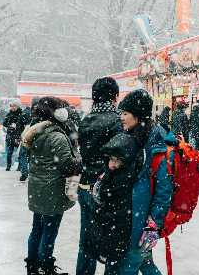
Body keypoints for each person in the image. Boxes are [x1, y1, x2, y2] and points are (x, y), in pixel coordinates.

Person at [115, 89, 173, 275]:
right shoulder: (135, 136)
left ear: (138, 115)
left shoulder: (154, 143)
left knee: (128, 267)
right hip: (132, 217)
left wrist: (153, 223)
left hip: (141, 221)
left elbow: (164, 188)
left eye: (125, 113)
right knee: (146, 264)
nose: (121, 117)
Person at [23, 97, 82, 275]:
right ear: (57, 113)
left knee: (37, 228)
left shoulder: (36, 131)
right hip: (52, 190)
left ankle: (33, 265)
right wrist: (79, 158)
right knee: (49, 230)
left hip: (38, 189)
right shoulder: (56, 135)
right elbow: (68, 166)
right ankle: (45, 267)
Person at [76, 77, 122, 275]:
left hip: (85, 185)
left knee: (86, 241)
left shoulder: (86, 119)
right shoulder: (117, 119)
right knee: (109, 243)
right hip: (105, 189)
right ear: (114, 96)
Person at [85, 133, 140, 274]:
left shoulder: (123, 180)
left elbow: (117, 214)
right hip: (108, 236)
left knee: (114, 268)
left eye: (117, 160)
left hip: (116, 238)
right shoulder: (108, 175)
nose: (113, 164)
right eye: (111, 159)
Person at [3, 100, 26, 171]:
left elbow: (23, 125)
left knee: (20, 152)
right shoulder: (9, 114)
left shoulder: (21, 114)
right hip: (10, 135)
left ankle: (19, 166)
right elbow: (4, 123)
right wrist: (9, 126)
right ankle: (8, 166)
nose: (12, 107)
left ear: (17, 106)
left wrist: (17, 127)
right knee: (9, 152)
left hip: (18, 136)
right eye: (11, 106)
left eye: (14, 106)